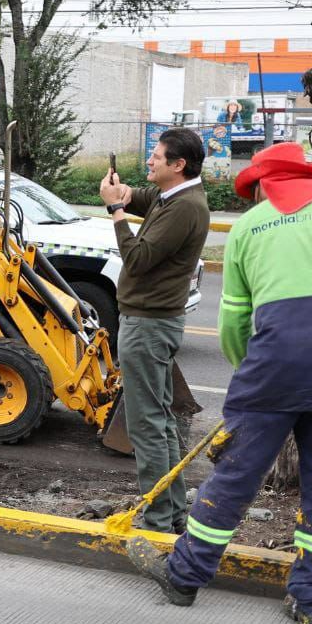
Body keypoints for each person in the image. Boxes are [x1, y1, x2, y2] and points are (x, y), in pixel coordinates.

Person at [128, 142, 312, 624]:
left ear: (262, 184)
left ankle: (185, 577)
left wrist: (253, 375)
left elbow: (234, 322)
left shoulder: (249, 227)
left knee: (235, 477)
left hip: (272, 373)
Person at [99, 127, 210, 533]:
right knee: (158, 422)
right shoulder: (175, 197)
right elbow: (145, 199)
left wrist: (115, 212)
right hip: (150, 322)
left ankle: (159, 519)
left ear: (178, 165)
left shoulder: (185, 207)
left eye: (157, 157)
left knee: (146, 425)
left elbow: (139, 258)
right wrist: (122, 194)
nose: (149, 160)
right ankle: (172, 510)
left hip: (147, 325)